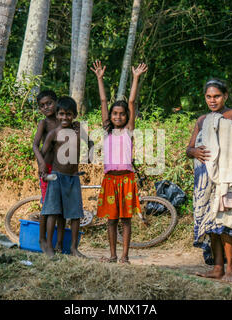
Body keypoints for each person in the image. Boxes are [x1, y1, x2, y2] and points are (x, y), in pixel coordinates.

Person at [186, 78, 232, 282]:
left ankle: (230, 269)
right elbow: (188, 149)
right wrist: (195, 151)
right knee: (211, 223)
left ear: (225, 96)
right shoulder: (202, 120)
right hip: (205, 180)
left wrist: (223, 125)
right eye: (209, 97)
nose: (212, 100)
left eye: (217, 96)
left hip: (226, 177)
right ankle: (217, 268)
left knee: (226, 222)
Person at [91, 60, 147, 264]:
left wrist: (136, 78)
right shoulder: (107, 131)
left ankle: (125, 256)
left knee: (126, 220)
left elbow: (131, 102)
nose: (118, 116)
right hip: (110, 180)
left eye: (122, 114)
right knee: (111, 220)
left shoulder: (128, 131)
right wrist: (99, 78)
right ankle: (113, 255)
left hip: (126, 180)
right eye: (115, 114)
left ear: (127, 117)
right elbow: (104, 101)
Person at [40, 96, 93, 258]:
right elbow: (43, 152)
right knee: (53, 212)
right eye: (61, 114)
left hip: (73, 177)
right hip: (56, 176)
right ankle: (49, 246)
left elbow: (90, 143)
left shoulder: (78, 130)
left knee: (75, 214)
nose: (64, 117)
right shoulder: (54, 133)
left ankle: (73, 248)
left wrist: (89, 157)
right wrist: (43, 168)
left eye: (68, 114)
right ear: (56, 115)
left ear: (75, 115)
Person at [32, 90, 65, 253]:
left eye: (49, 103)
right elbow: (34, 146)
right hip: (48, 169)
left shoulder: (63, 120)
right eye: (42, 106)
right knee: (47, 206)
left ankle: (59, 243)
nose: (46, 107)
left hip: (62, 169)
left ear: (56, 101)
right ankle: (42, 240)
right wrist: (41, 163)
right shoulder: (43, 124)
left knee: (60, 208)